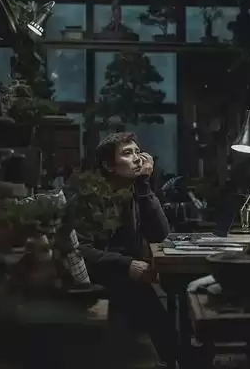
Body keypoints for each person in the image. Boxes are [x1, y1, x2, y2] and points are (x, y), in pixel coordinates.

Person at [73, 132, 175, 369]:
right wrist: (127, 265)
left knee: (167, 329)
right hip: (98, 281)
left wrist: (144, 185)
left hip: (128, 280)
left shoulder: (134, 192)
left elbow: (160, 234)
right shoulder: (89, 198)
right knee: (162, 329)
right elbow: (79, 250)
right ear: (109, 165)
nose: (137, 158)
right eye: (127, 153)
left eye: (138, 151)